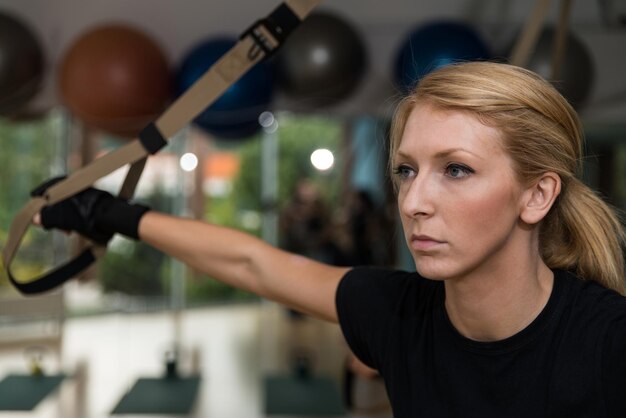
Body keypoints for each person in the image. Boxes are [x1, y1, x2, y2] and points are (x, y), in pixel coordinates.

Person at [33, 61, 626, 417]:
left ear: (537, 195)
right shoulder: (396, 316)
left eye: (457, 169)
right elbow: (252, 264)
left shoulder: (606, 347)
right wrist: (108, 214)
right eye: (406, 169)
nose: (414, 202)